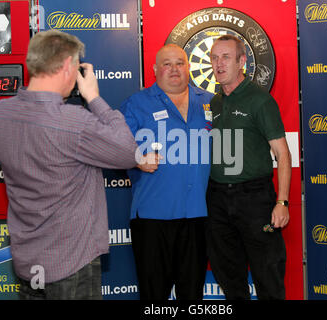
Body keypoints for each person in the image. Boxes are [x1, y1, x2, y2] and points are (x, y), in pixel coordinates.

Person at [0, 30, 142, 300]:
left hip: (29, 262)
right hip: (69, 265)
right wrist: (94, 98)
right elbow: (129, 153)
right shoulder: (73, 121)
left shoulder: (1, 111)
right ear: (66, 67)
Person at [120, 44, 214, 300]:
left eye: (180, 63)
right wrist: (135, 157)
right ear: (155, 69)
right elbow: (111, 146)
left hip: (197, 216)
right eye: (167, 64)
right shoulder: (136, 104)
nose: (174, 69)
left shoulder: (209, 101)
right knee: (154, 296)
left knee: (192, 295)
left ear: (189, 67)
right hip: (152, 217)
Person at [207, 34, 292, 300]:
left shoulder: (260, 101)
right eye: (214, 57)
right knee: (228, 275)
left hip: (255, 199)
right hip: (218, 199)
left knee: (268, 273)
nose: (219, 64)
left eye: (226, 57)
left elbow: (283, 153)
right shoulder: (215, 102)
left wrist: (283, 202)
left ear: (242, 61)